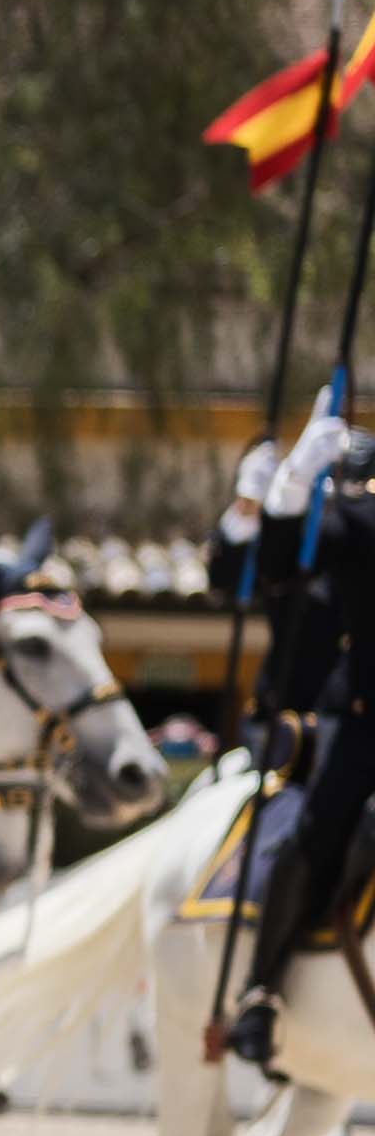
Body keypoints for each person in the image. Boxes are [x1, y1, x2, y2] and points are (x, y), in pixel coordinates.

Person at [225, 412, 375, 1070]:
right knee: (320, 828)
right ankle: (264, 987)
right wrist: (288, 489)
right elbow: (279, 562)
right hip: (367, 718)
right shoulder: (358, 518)